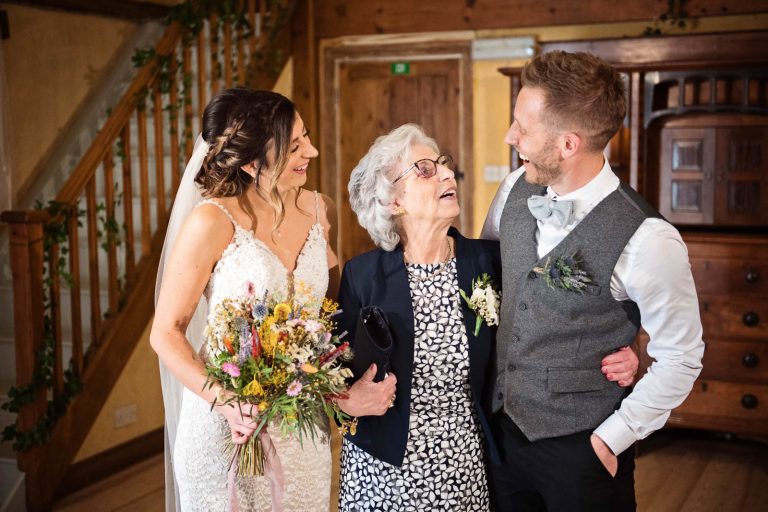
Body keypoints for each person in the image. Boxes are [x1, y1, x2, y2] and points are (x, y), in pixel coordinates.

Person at [336, 124, 638, 511]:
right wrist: (345, 401)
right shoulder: (363, 275)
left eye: (444, 164)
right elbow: (334, 373)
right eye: (425, 169)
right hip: (381, 468)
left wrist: (626, 350)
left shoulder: (487, 261)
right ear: (394, 202)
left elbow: (551, 320)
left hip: (465, 464)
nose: (447, 174)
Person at [481, 51, 705, 511]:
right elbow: (489, 286)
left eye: (523, 127)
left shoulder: (649, 240)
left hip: (583, 453)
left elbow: (681, 358)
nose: (510, 136)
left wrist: (610, 440)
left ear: (568, 144)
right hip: (501, 436)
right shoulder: (511, 191)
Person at [150, 88, 394, 512]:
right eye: (295, 145)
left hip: (300, 428)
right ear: (250, 161)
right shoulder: (211, 220)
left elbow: (329, 319)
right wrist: (228, 403)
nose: (312, 152)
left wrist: (341, 393)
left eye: (307, 137)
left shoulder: (321, 210)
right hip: (226, 426)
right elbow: (165, 333)